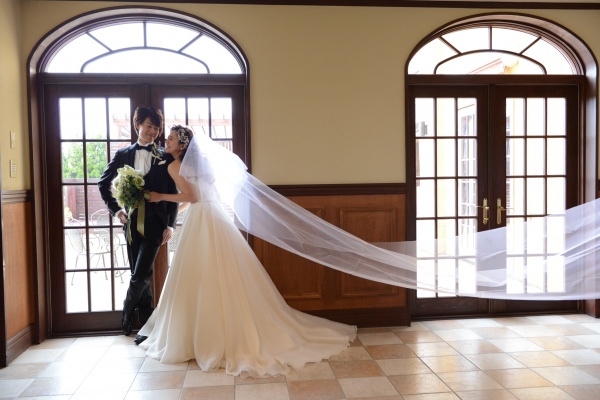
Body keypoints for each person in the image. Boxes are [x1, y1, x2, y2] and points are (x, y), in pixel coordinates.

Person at [136, 125, 357, 377]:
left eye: (172, 139)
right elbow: (196, 197)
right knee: (222, 274)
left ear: (183, 146)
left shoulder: (174, 166)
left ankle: (196, 338)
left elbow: (193, 197)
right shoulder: (202, 164)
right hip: (213, 217)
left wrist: (159, 196)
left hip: (202, 219)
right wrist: (175, 218)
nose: (167, 141)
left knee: (201, 275)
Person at [98, 107, 178, 336]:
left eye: (157, 127)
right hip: (130, 223)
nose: (153, 131)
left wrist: (170, 225)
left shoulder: (165, 156)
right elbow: (103, 184)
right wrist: (116, 211)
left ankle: (127, 309)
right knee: (139, 271)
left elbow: (173, 192)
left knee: (141, 273)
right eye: (149, 126)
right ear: (137, 125)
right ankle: (146, 324)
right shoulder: (122, 154)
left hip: (156, 223)